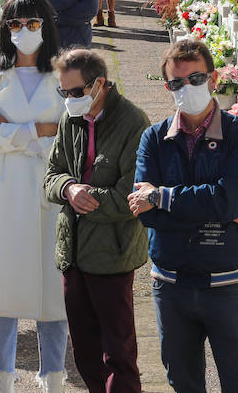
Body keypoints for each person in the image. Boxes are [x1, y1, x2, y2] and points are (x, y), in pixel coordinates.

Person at [129, 39, 238, 393]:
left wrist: (161, 197)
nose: (186, 88)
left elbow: (229, 201)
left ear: (214, 78)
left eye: (196, 78)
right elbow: (145, 215)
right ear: (167, 87)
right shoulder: (153, 139)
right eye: (177, 82)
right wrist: (216, 208)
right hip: (170, 283)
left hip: (226, 280)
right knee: (183, 383)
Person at [0, 0, 68, 393]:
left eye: (31, 22)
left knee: (52, 288)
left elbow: (69, 132)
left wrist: (14, 129)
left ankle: (53, 379)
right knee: (0, 284)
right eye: (14, 24)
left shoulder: (61, 73)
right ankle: (4, 379)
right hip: (2, 187)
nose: (23, 31)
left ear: (45, 23)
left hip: (50, 184)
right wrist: (40, 130)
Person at [43, 48, 149, 393]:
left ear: (99, 84)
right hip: (72, 249)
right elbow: (52, 176)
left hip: (112, 251)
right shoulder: (70, 117)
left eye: (75, 92)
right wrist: (69, 188)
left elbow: (130, 195)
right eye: (64, 92)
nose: (69, 99)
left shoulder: (133, 123)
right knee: (84, 349)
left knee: (118, 352)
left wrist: (88, 198)